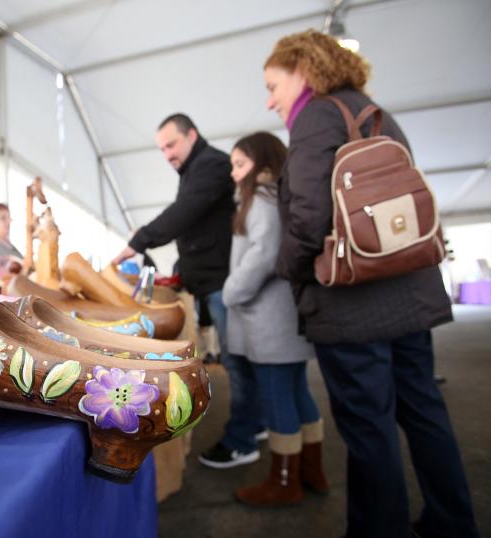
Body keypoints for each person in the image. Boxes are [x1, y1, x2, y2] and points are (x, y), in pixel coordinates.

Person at [264, 30, 478, 537]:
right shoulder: (375, 113)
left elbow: (310, 218)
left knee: (369, 428)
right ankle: (453, 523)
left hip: (352, 302)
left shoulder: (316, 117)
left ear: (303, 70)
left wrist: (288, 272)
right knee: (424, 412)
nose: (269, 98)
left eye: (273, 84)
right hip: (408, 290)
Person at [112, 113, 264, 466]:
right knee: (238, 360)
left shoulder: (210, 165)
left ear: (191, 135)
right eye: (161, 148)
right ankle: (257, 424)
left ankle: (243, 439)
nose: (166, 154)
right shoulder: (195, 170)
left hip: (222, 282)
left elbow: (185, 212)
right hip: (209, 281)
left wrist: (139, 240)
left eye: (171, 144)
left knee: (237, 362)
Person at [197, 131, 329, 507]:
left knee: (275, 398)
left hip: (268, 323)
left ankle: (285, 480)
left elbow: (264, 253)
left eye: (241, 165)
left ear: (264, 164)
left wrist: (232, 291)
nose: (234, 174)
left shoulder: (263, 202)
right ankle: (310, 469)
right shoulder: (276, 199)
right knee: (297, 393)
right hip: (281, 320)